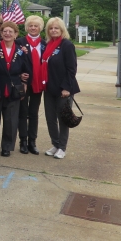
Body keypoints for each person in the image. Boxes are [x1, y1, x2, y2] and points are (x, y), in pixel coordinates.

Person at [0, 21, 31, 157]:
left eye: (10, 32)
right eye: (4, 31)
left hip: (14, 89)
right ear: (1, 33)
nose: (7, 34)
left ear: (16, 34)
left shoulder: (21, 51)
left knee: (11, 120)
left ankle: (7, 146)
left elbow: (27, 70)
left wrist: (24, 81)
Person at [42, 17, 80, 160]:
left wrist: (66, 88)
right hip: (49, 88)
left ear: (62, 30)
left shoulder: (67, 45)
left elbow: (72, 69)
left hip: (63, 90)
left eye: (56, 28)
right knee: (50, 118)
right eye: (51, 28)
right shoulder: (48, 45)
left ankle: (62, 147)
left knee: (63, 119)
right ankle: (55, 144)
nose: (53, 30)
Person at [16, 16, 46, 155]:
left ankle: (32, 141)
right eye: (31, 25)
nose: (33, 28)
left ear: (40, 27)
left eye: (36, 26)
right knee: (23, 112)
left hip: (38, 83)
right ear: (27, 27)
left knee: (33, 113)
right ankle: (22, 141)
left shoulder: (45, 44)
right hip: (24, 83)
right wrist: (20, 75)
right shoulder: (19, 42)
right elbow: (14, 62)